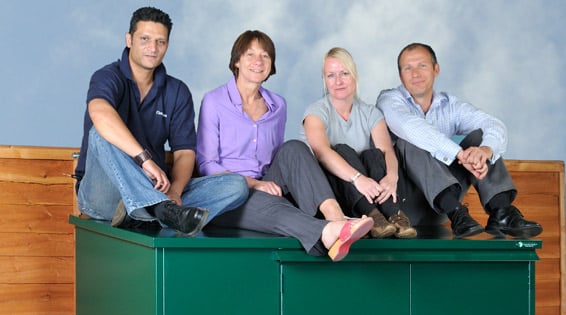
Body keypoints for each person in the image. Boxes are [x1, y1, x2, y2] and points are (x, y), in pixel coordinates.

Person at [197, 31, 372, 261]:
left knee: (294, 147)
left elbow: (280, 159)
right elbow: (206, 165)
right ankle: (327, 232)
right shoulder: (214, 101)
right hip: (228, 195)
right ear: (237, 61)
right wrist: (255, 184)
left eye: (265, 56)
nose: (258, 61)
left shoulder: (278, 105)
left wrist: (271, 184)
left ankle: (335, 217)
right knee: (261, 200)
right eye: (250, 54)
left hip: (268, 184)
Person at [75, 7, 249, 237]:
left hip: (157, 189)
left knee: (236, 185)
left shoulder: (177, 91)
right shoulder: (107, 76)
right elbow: (100, 113)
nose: (153, 48)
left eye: (161, 41)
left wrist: (175, 191)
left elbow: (184, 152)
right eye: (145, 39)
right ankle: (158, 210)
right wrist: (145, 160)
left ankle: (150, 212)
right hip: (104, 195)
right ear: (129, 40)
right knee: (100, 132)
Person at [376, 43, 542, 239]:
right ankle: (456, 211)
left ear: (436, 69)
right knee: (410, 141)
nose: (415, 74)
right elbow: (410, 127)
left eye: (422, 65)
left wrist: (486, 150)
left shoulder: (450, 105)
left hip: (439, 208)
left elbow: (493, 124)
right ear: (400, 75)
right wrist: (459, 154)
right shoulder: (389, 100)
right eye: (407, 68)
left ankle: (501, 212)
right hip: (402, 206)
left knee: (479, 138)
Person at [302, 47, 416, 239]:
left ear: (354, 76)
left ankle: (393, 215)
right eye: (331, 75)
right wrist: (357, 178)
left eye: (344, 73)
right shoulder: (316, 112)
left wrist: (392, 177)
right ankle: (372, 216)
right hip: (335, 192)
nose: (338, 81)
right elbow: (322, 152)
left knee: (373, 155)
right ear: (325, 80)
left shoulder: (370, 112)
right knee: (341, 150)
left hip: (371, 191)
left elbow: (387, 150)